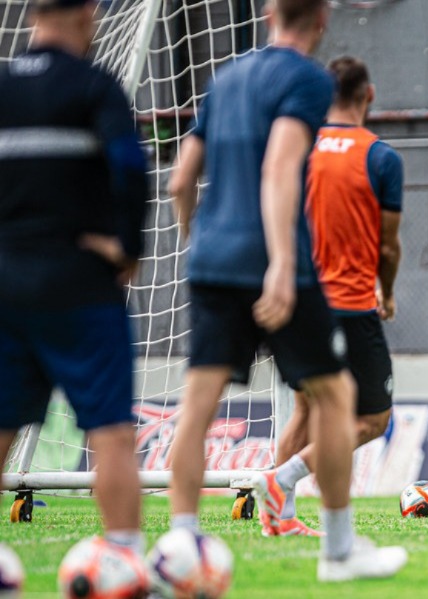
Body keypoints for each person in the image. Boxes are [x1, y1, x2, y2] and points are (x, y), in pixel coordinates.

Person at [167, 0, 406, 581]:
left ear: (271, 12)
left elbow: (179, 179)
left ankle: (178, 546)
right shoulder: (305, 79)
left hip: (211, 264)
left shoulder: (227, 76)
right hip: (281, 267)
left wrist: (198, 237)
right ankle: (339, 551)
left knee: (197, 405)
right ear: (322, 19)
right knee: (335, 397)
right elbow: (279, 168)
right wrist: (277, 261)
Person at [0, 0, 148, 557]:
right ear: (88, 13)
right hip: (79, 284)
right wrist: (127, 248)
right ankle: (126, 562)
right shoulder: (95, 87)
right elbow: (131, 170)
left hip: (6, 280)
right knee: (109, 430)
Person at [257, 55, 404, 537]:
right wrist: (387, 289)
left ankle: (277, 520)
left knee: (304, 406)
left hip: (299, 295)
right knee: (372, 418)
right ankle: (283, 479)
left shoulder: (300, 148)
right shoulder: (380, 156)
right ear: (370, 94)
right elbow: (387, 242)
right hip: (351, 301)